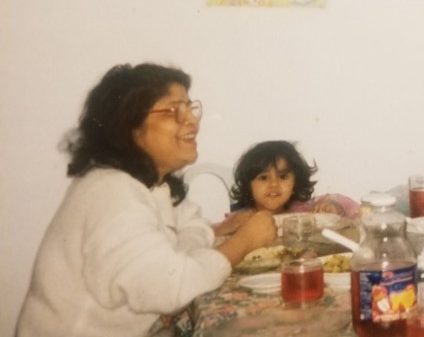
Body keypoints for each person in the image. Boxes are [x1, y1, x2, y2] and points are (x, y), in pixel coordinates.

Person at [16, 64, 277, 337]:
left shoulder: (154, 186)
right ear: (131, 127)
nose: (193, 121)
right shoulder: (111, 193)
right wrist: (245, 241)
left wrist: (186, 257)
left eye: (190, 108)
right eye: (175, 110)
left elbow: (191, 229)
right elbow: (172, 288)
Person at [215, 140, 359, 237]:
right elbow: (202, 237)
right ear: (248, 185)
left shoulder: (303, 210)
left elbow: (353, 209)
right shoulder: (241, 217)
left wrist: (334, 207)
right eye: (264, 178)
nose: (274, 184)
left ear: (295, 183)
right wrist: (225, 228)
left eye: (282, 177)